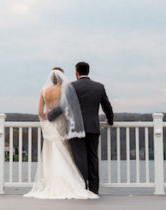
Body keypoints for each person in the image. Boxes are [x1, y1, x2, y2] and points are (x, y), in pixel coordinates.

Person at [24, 68, 98, 199]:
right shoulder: (64, 90)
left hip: (49, 127)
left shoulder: (44, 91)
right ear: (61, 78)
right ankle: (69, 181)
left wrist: (47, 117)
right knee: (65, 152)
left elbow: (40, 112)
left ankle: (50, 181)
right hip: (61, 124)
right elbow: (66, 107)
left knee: (50, 154)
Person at [69, 61, 114, 194]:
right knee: (93, 157)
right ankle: (94, 190)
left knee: (80, 158)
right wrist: (110, 120)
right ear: (88, 71)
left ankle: (81, 187)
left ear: (77, 72)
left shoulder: (71, 86)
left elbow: (64, 106)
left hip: (76, 127)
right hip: (93, 127)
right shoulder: (99, 87)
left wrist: (52, 116)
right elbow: (107, 106)